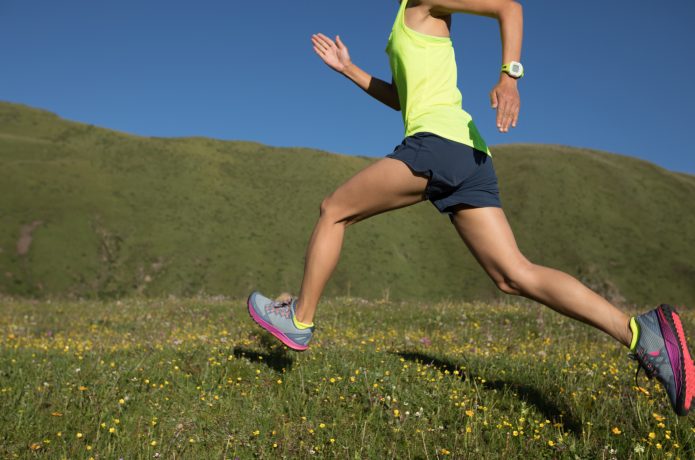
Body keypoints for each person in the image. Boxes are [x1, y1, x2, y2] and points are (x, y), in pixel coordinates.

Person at [247, 0, 695, 416]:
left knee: (334, 209)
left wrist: (509, 76)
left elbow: (509, 7)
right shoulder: (405, 18)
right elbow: (405, 99)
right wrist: (348, 69)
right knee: (513, 275)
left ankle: (299, 320)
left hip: (437, 145)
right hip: (467, 153)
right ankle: (643, 335)